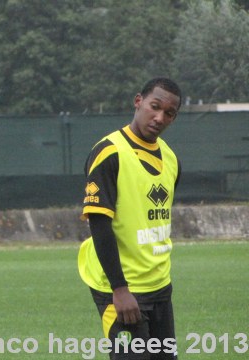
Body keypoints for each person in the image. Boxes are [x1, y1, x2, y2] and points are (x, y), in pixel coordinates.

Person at [77, 78, 182, 359]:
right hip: (121, 291)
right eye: (154, 107)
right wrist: (120, 290)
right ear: (138, 101)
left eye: (169, 113)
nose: (159, 118)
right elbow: (100, 226)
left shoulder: (171, 159)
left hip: (159, 286)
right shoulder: (110, 152)